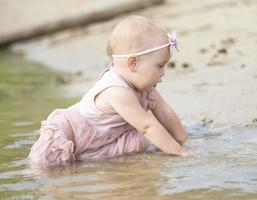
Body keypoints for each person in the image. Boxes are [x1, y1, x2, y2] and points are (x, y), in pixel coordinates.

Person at [28, 15, 191, 167]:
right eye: (160, 66)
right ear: (132, 63)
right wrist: (180, 152)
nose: (163, 72)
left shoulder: (144, 85)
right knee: (51, 168)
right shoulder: (116, 91)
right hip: (77, 137)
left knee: (149, 139)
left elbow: (165, 112)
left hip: (105, 138)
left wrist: (184, 140)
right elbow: (147, 126)